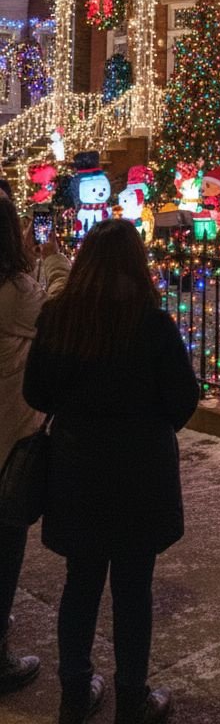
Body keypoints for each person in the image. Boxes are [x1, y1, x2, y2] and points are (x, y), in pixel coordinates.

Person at [23, 220, 200, 724]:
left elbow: (36, 393)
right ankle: (131, 695)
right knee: (133, 587)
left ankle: (74, 692)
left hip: (77, 469)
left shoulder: (59, 319)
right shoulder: (151, 325)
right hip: (139, 472)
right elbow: (183, 401)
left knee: (79, 583)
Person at [0, 195, 44, 695]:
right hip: (8, 440)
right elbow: (54, 310)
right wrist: (50, 261)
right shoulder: (16, 292)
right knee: (5, 545)